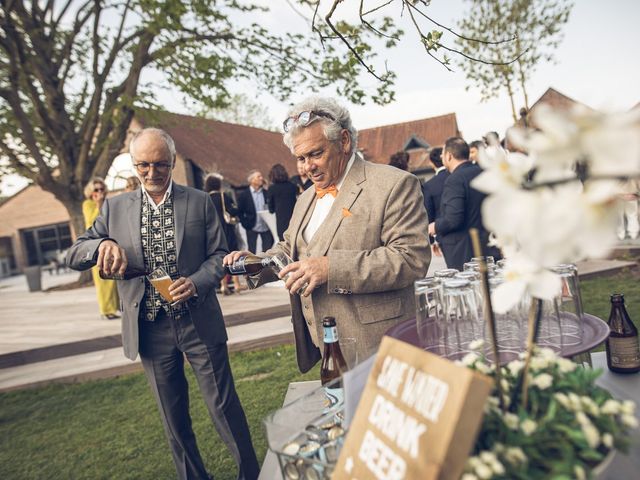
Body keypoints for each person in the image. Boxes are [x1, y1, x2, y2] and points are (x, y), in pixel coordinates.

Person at [66, 128, 259, 480]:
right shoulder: (113, 208)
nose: (152, 173)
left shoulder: (199, 201)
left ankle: (251, 474)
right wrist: (100, 246)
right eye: (143, 165)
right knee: (173, 417)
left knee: (223, 407)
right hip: (150, 328)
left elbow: (219, 255)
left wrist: (198, 281)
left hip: (197, 320)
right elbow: (75, 253)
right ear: (133, 165)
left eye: (160, 165)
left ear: (171, 162)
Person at [224, 97, 431, 372]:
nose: (307, 167)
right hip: (326, 347)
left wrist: (330, 268)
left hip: (382, 345)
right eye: (300, 158)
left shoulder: (394, 184)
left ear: (344, 141)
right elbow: (290, 249)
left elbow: (410, 260)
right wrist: (256, 262)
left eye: (315, 154)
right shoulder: (306, 196)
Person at [428, 137, 501, 270]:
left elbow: (453, 219)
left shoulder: (454, 180)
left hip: (465, 251)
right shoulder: (484, 172)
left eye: (443, 154)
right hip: (490, 245)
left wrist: (434, 227)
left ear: (449, 156)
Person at [82, 177, 120, 320]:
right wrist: (98, 204)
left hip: (111, 242)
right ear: (91, 192)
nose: (99, 192)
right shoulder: (88, 204)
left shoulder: (108, 203)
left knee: (113, 277)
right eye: (96, 190)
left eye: (101, 189)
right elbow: (91, 222)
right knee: (102, 279)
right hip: (96, 245)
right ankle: (105, 311)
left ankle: (114, 308)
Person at [204, 173, 247, 294]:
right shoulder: (224, 196)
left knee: (220, 257)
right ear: (218, 185)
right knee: (233, 256)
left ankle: (224, 286)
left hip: (213, 233)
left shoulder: (205, 199)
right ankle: (237, 284)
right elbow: (233, 211)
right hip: (227, 230)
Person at [421, 147, 449, 257]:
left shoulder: (429, 185)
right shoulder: (456, 176)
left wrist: (432, 240)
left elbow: (429, 213)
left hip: (443, 235)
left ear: (432, 163)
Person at [237, 170, 274, 252]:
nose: (261, 178)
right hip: (251, 227)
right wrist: (245, 224)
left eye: (261, 176)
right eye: (258, 177)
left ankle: (266, 265)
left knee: (267, 251)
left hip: (266, 227)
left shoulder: (266, 193)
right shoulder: (244, 195)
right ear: (252, 180)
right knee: (251, 251)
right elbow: (239, 212)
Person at [267, 164, 298, 241]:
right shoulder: (293, 186)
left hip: (281, 221)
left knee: (284, 244)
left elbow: (271, 209)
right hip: (294, 219)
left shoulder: (272, 189)